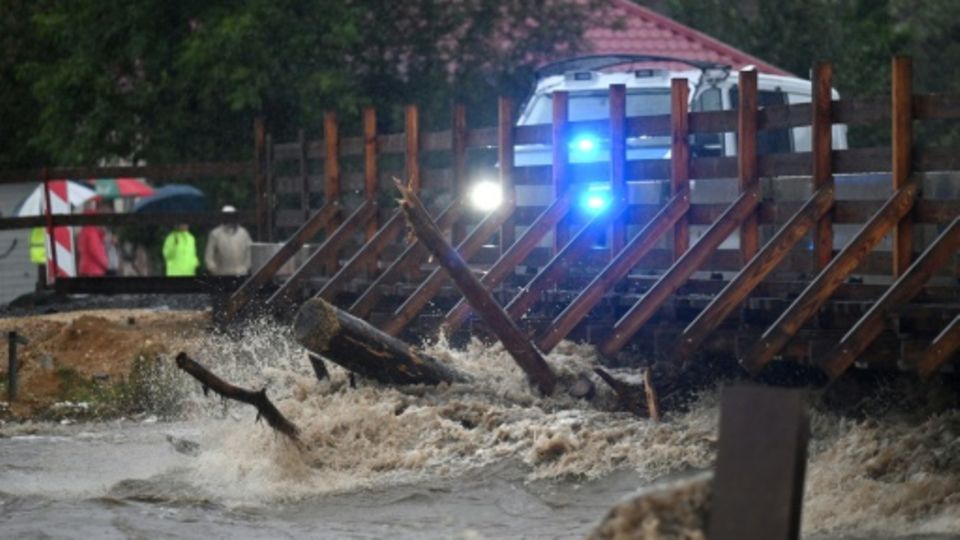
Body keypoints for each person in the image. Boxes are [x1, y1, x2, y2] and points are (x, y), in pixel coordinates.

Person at [204, 205, 253, 276]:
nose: (230, 219)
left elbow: (250, 251)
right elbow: (209, 256)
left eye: (232, 216)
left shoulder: (243, 233)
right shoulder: (215, 234)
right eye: (227, 216)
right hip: (221, 275)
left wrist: (246, 267)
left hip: (241, 274)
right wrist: (213, 269)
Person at [77, 209, 109, 277]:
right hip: (94, 270)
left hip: (85, 268)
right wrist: (105, 263)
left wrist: (101, 233)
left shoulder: (83, 231)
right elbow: (95, 250)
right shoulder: (91, 232)